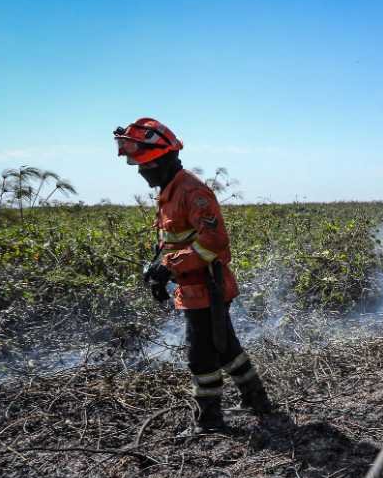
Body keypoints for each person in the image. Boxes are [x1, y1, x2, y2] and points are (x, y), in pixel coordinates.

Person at [114, 118, 274, 435]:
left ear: (158, 162)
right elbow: (177, 243)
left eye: (142, 165)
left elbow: (214, 243)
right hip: (191, 289)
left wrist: (169, 267)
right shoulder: (169, 193)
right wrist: (160, 274)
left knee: (200, 355)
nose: (139, 171)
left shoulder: (192, 192)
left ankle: (209, 420)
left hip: (209, 288)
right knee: (225, 345)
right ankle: (257, 399)